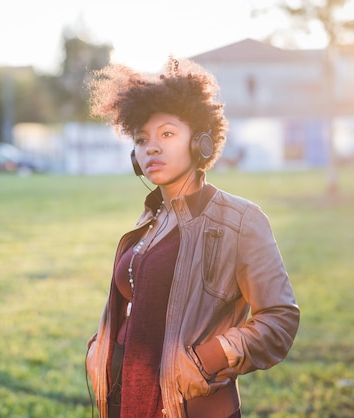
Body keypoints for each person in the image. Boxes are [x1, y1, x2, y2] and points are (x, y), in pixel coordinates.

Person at [85, 57, 300, 418]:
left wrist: (204, 361)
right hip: (128, 402)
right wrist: (100, 349)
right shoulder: (150, 221)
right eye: (142, 139)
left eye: (167, 134)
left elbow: (279, 320)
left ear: (201, 142)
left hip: (191, 407)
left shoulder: (241, 220)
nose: (151, 147)